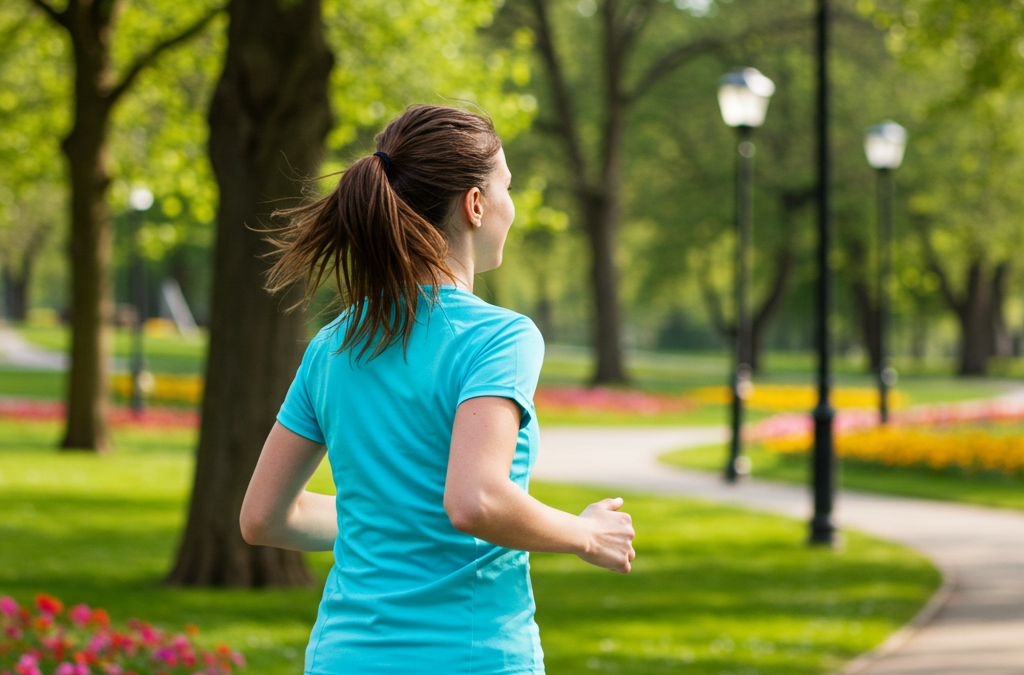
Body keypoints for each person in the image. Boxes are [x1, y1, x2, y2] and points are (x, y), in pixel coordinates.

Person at [239, 104, 636, 675]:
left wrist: (386, 515)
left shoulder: (333, 344)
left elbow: (265, 519)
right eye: (508, 187)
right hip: (470, 658)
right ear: (476, 205)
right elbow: (474, 500)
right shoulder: (499, 338)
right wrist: (584, 534)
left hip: (342, 658)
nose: (512, 206)